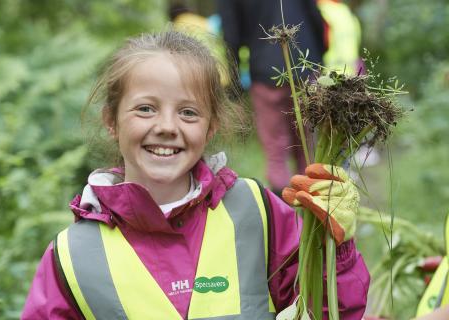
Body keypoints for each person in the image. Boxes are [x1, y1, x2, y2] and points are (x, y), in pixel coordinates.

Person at [21, 29, 369, 319]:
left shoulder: (254, 211)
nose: (167, 127)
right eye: (145, 109)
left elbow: (327, 310)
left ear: (211, 125)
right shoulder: (73, 255)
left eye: (188, 113)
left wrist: (332, 247)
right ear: (111, 121)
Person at [216, 0, 327, 196]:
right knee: (307, 143)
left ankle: (283, 208)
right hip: (306, 66)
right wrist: (319, 59)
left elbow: (231, 34)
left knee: (276, 147)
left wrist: (234, 83)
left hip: (265, 71)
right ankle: (312, 203)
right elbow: (316, 17)